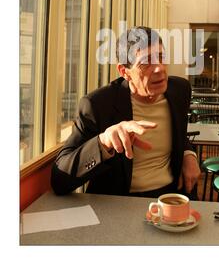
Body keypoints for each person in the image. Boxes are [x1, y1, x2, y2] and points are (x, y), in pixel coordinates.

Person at [51, 26, 201, 199]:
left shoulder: (180, 90)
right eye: (145, 62)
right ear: (124, 72)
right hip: (121, 201)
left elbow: (179, 133)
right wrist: (103, 142)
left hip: (171, 197)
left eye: (161, 57)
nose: (159, 68)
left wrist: (189, 154)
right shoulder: (98, 105)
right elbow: (59, 180)